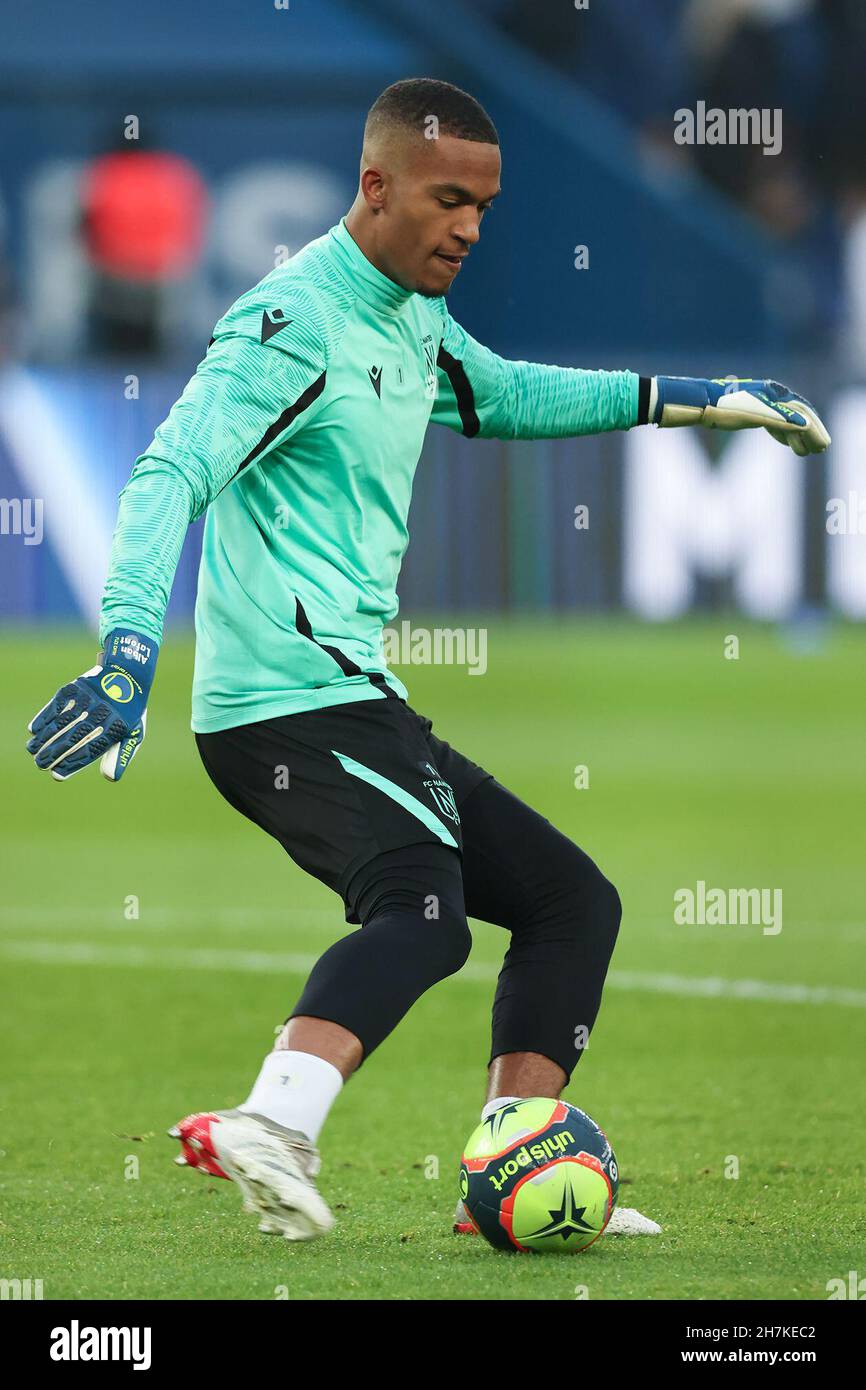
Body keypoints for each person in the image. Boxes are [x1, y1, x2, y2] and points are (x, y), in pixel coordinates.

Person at [26, 79, 829, 1243]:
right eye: (447, 199)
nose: (466, 227)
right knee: (423, 916)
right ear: (375, 186)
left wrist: (698, 401)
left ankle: (508, 1164)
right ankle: (271, 1121)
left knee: (570, 904)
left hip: (354, 699)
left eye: (484, 208)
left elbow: (498, 393)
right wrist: (128, 651)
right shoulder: (289, 323)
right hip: (282, 707)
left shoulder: (410, 312)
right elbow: (167, 474)